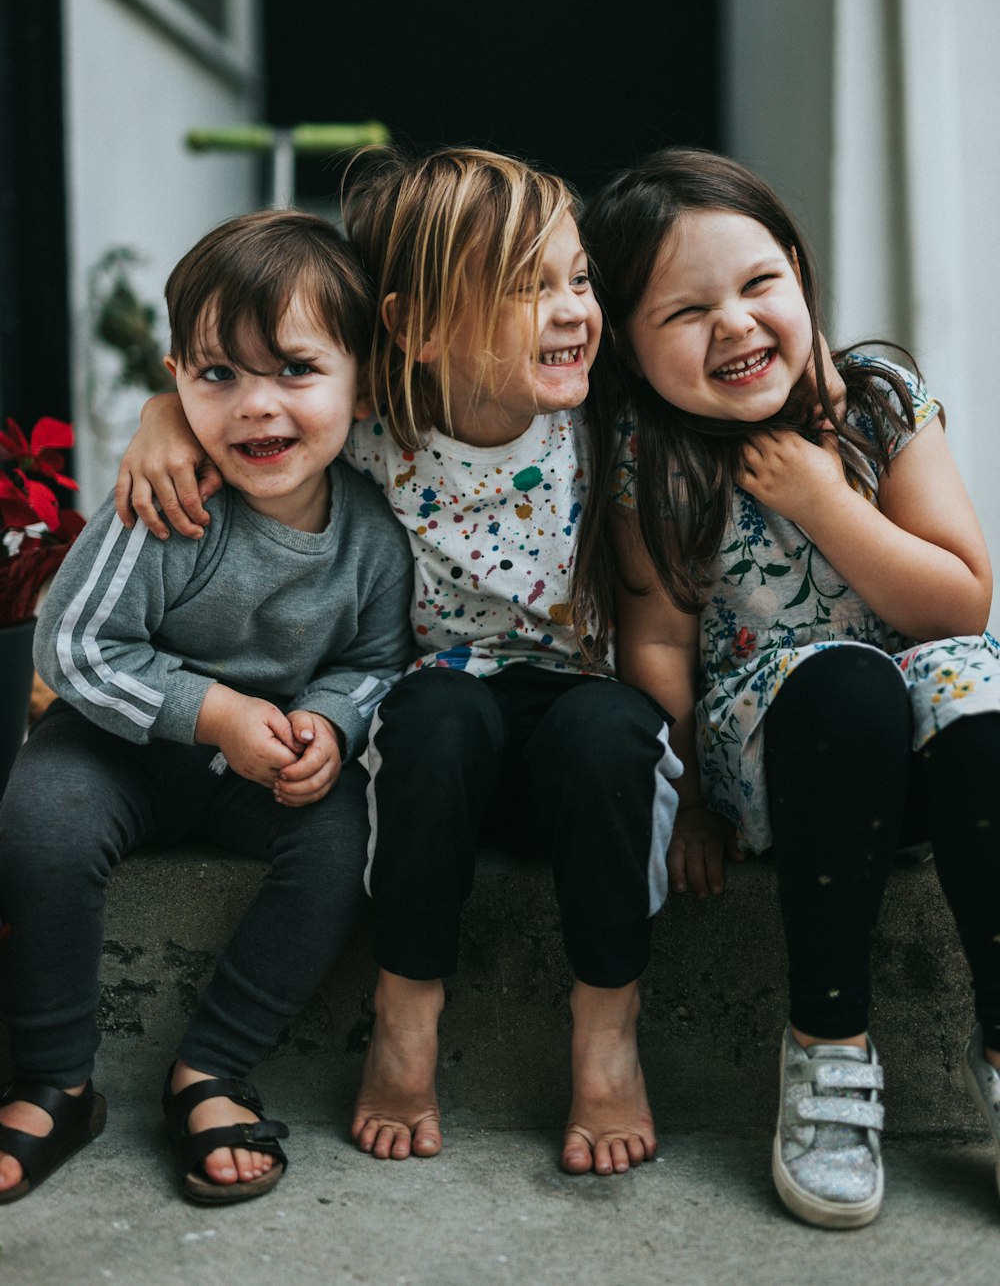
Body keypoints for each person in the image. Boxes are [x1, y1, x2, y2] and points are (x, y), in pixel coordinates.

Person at [111, 147, 685, 1177]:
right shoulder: (380, 428)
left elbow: (656, 625)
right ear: (416, 329)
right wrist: (161, 417)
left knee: (611, 729)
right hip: (435, 746)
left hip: (579, 734)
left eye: (576, 278)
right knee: (434, 710)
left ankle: (607, 1031)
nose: (569, 309)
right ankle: (405, 1012)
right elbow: (265, 401)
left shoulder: (605, 424)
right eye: (525, 286)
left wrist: (708, 798)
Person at [576, 146, 1000, 1228]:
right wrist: (691, 803)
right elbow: (658, 647)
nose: (734, 323)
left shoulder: (877, 401)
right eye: (683, 310)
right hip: (788, 766)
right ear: (626, 341)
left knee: (974, 679)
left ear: (800, 275)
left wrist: (822, 497)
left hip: (929, 759)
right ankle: (826, 1041)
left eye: (758, 283)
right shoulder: (650, 456)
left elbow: (958, 602)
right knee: (846, 684)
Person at [0, 210, 414, 1205]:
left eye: (294, 371)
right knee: (40, 819)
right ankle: (56, 1077)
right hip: (114, 746)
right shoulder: (170, 502)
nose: (254, 407)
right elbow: (72, 642)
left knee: (337, 846)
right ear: (176, 377)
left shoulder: (373, 536)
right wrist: (213, 709)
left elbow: (374, 657)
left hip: (264, 767)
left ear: (362, 381)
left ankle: (212, 1067)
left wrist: (329, 719)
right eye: (216, 373)